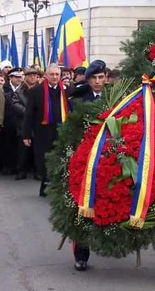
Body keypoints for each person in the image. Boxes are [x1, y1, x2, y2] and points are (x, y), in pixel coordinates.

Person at [70, 60, 108, 271]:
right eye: (93, 78)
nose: (97, 82)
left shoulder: (115, 98)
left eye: (101, 78)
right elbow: (72, 129)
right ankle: (81, 254)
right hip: (84, 158)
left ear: (106, 78)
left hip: (108, 158)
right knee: (83, 204)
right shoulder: (78, 100)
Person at [22, 64, 69, 197]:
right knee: (44, 160)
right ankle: (45, 185)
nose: (55, 77)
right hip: (43, 132)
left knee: (60, 158)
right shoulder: (36, 91)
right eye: (52, 74)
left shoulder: (66, 90)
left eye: (57, 74)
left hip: (61, 130)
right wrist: (26, 134)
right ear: (46, 76)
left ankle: (54, 188)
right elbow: (29, 114)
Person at [12, 67, 42, 180]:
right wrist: (28, 112)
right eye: (30, 75)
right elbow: (15, 104)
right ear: (25, 77)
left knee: (37, 150)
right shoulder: (20, 90)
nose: (32, 77)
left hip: (38, 125)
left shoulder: (41, 89)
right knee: (23, 150)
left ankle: (38, 171)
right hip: (23, 124)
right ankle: (21, 170)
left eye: (34, 75)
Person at [1, 68, 24, 174]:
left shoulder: (24, 89)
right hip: (7, 119)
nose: (19, 79)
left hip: (20, 120)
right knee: (7, 144)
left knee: (18, 145)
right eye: (17, 77)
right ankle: (7, 166)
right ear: (10, 77)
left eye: (20, 77)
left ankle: (17, 166)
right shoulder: (4, 88)